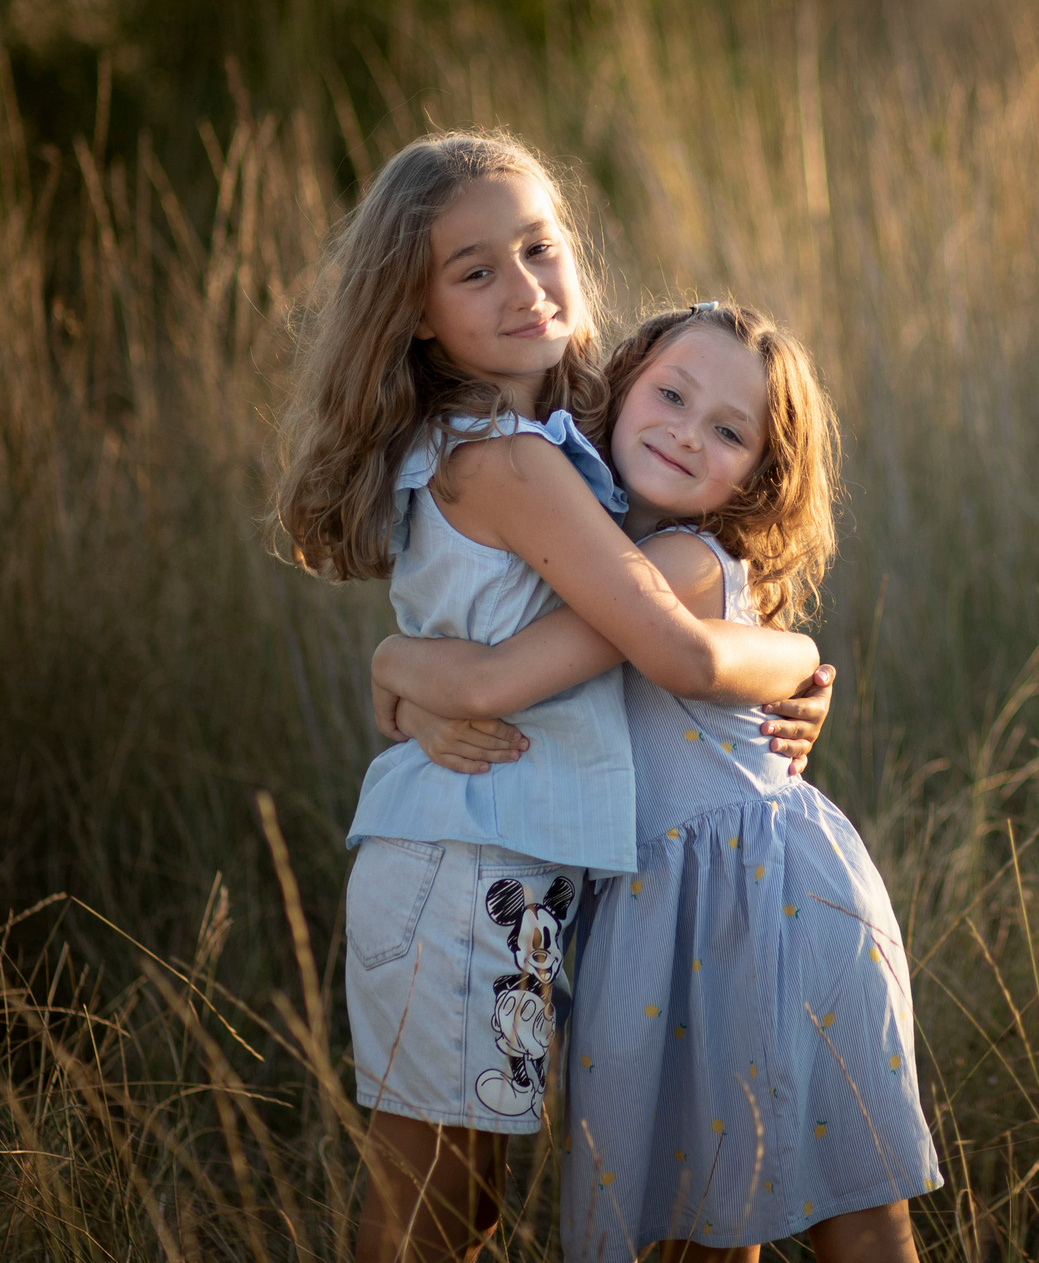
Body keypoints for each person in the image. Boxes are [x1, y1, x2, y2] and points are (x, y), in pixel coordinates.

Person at [273, 133, 837, 1263]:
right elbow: (672, 649)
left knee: (462, 1207)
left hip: (506, 873)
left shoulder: (548, 445)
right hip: (460, 872)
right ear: (416, 310)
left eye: (539, 247)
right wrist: (804, 653)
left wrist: (399, 675)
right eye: (474, 269)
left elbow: (502, 653)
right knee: (427, 1209)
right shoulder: (508, 464)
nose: (526, 286)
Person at [374, 302, 941, 1263]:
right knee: (704, 1220)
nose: (686, 432)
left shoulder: (670, 566)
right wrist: (404, 695)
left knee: (850, 1211)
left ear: (757, 476)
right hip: (664, 912)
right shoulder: (590, 559)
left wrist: (393, 661)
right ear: (621, 383)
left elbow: (489, 680)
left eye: (728, 430)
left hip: (766, 906)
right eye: (671, 394)